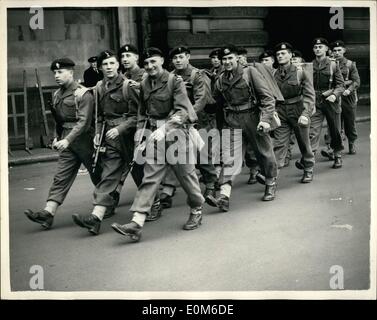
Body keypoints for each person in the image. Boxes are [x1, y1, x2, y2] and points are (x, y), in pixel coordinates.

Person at [111, 47, 205, 242]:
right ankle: (136, 223)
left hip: (177, 135)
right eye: (146, 63)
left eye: (153, 61)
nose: (149, 66)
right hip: (154, 135)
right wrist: (140, 137)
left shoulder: (174, 81)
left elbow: (183, 111)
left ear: (162, 60)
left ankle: (196, 208)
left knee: (187, 177)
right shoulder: (144, 82)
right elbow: (142, 114)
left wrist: (165, 128)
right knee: (150, 178)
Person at [25, 58, 100, 229]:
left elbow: (84, 122)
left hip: (85, 140)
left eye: (60, 72)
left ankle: (103, 208)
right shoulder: (57, 94)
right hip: (67, 140)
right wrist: (56, 137)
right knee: (61, 176)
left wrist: (67, 139)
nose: (56, 76)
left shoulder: (82, 93)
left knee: (98, 175)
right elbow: (58, 120)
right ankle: (48, 213)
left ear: (71, 73)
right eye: (54, 73)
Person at [71, 50, 140, 235]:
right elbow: (100, 116)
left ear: (118, 65)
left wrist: (120, 129)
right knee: (108, 175)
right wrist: (99, 133)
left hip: (131, 137)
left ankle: (154, 203)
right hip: (110, 139)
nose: (108, 67)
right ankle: (96, 217)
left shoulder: (128, 86)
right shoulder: (100, 87)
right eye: (105, 64)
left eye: (112, 63)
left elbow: (137, 116)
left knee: (141, 174)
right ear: (99, 67)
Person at [213, 44, 279, 211]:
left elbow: (267, 98)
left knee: (264, 152)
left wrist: (265, 120)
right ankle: (224, 196)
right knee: (230, 158)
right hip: (232, 120)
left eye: (230, 58)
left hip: (253, 118)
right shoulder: (220, 79)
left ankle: (270, 182)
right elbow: (218, 104)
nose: (227, 62)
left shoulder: (250, 72)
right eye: (224, 59)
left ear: (237, 58)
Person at [159, 46, 218, 208]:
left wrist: (186, 116)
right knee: (174, 155)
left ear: (188, 57)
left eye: (181, 57)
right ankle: (168, 190)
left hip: (198, 121)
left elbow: (201, 100)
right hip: (177, 122)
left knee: (202, 154)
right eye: (175, 58)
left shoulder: (198, 75)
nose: (178, 61)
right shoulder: (170, 77)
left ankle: (211, 185)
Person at [273, 42, 315, 183]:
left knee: (304, 143)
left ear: (290, 55)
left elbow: (309, 95)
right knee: (279, 145)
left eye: (283, 53)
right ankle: (272, 180)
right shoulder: (273, 74)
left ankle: (308, 168)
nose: (280, 56)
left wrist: (305, 113)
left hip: (298, 109)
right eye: (278, 54)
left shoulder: (300, 72)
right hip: (281, 112)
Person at [304, 37, 345, 169]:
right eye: (315, 47)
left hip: (331, 101)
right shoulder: (309, 65)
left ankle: (337, 155)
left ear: (327, 49)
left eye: (320, 47)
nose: (317, 49)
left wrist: (334, 94)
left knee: (335, 131)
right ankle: (309, 161)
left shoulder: (333, 64)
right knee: (313, 131)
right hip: (316, 102)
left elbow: (340, 84)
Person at [321, 40, 360, 156]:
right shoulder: (329, 64)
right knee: (333, 123)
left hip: (347, 97)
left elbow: (356, 81)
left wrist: (349, 89)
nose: (336, 52)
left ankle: (351, 142)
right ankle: (332, 148)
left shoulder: (349, 64)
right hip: (334, 96)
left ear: (344, 50)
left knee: (350, 122)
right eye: (334, 50)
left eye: (339, 50)